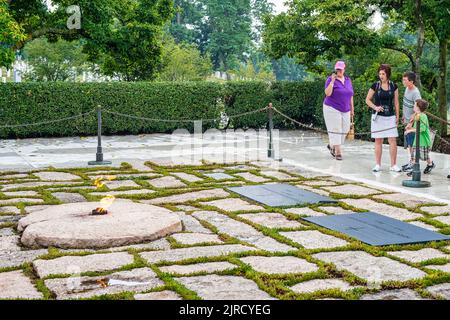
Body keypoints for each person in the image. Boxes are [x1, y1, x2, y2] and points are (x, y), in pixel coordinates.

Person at [365, 64, 401, 172]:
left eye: (383, 74)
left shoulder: (394, 86)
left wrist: (397, 116)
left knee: (392, 140)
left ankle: (393, 165)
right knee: (378, 140)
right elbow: (367, 100)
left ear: (388, 74)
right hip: (378, 117)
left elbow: (396, 102)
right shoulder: (375, 85)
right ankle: (377, 165)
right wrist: (375, 107)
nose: (381, 76)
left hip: (390, 116)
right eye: (380, 74)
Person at [323, 60, 354, 161]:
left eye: (341, 69)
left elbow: (350, 95)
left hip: (346, 109)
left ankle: (332, 145)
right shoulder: (330, 80)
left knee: (345, 129)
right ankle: (338, 152)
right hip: (331, 108)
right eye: (337, 69)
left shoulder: (348, 80)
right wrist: (332, 81)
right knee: (336, 129)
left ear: (344, 69)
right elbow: (327, 93)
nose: (339, 71)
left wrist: (352, 108)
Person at [406, 99, 436, 176]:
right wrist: (410, 127)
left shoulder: (423, 116)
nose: (413, 106)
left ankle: (430, 164)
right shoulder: (416, 115)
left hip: (424, 141)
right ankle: (414, 169)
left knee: (424, 156)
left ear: (418, 107)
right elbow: (414, 126)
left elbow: (422, 129)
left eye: (415, 105)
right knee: (415, 155)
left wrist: (411, 130)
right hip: (417, 141)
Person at [401, 71, 422, 172]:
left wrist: (410, 122)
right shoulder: (406, 89)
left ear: (411, 81)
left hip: (412, 122)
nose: (403, 81)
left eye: (405, 80)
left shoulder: (415, 93)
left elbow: (418, 109)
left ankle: (413, 163)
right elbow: (405, 103)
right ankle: (411, 161)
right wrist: (403, 116)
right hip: (406, 120)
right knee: (409, 144)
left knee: (412, 144)